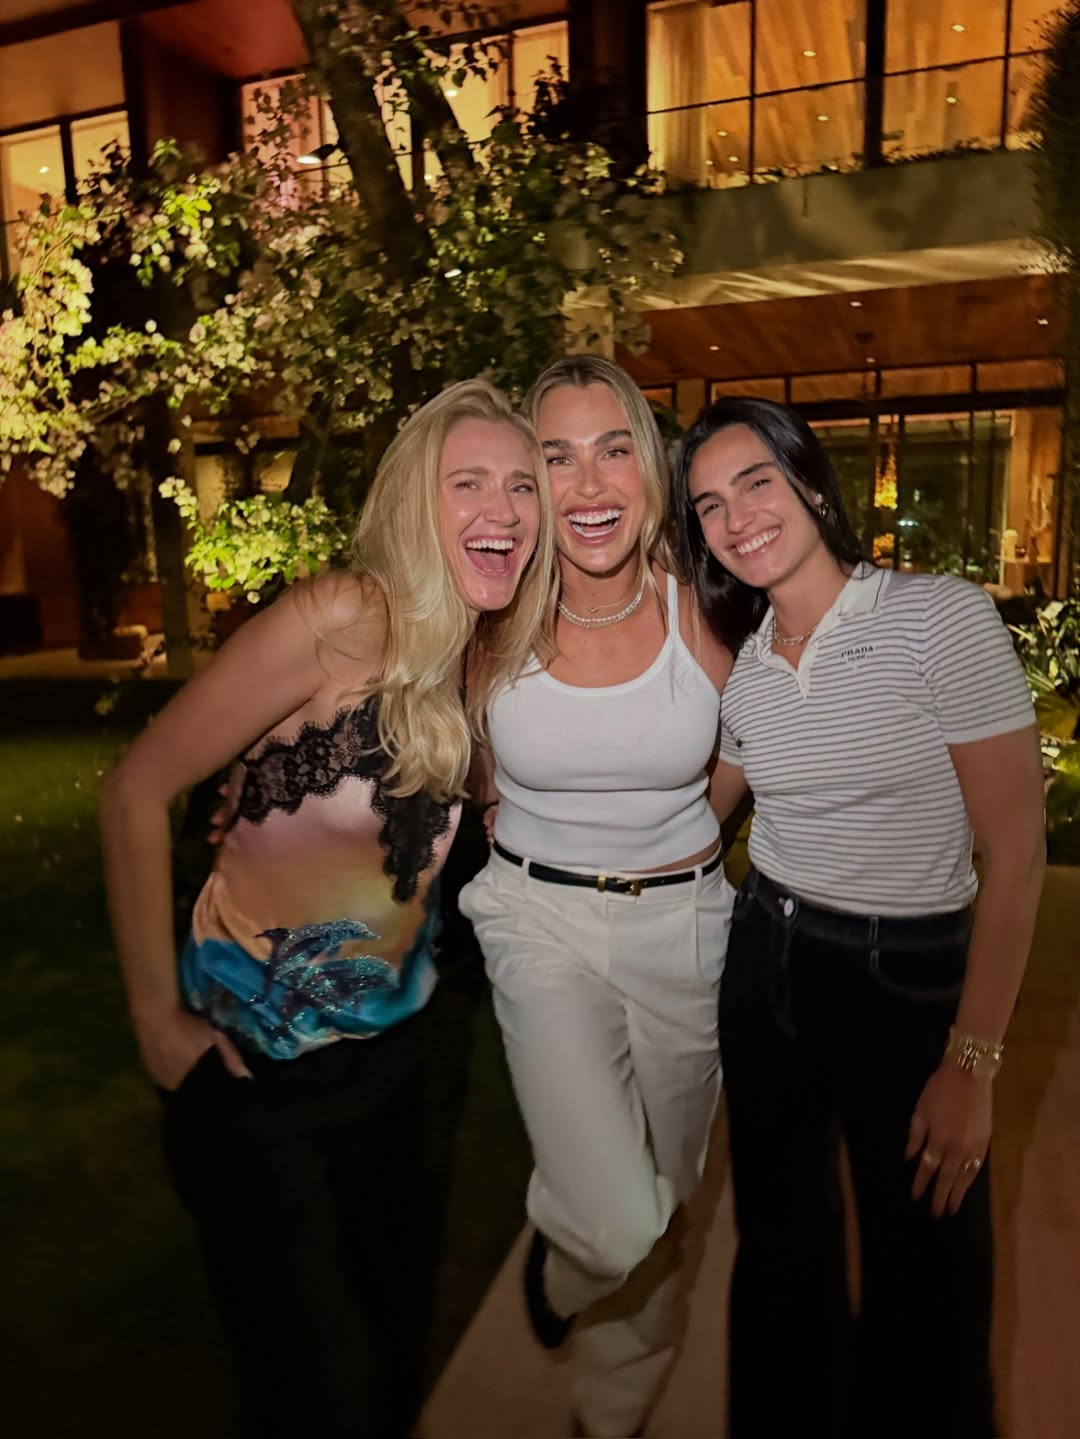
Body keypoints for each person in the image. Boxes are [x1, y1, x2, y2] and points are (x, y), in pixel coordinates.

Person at [99, 379, 554, 1439]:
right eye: (469, 482)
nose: (502, 507)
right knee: (312, 1388)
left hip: (396, 1073)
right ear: (415, 502)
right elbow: (133, 790)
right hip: (249, 1075)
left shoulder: (479, 660)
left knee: (388, 1365)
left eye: (521, 485)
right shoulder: (339, 618)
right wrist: (155, 1018)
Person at [671, 395, 1046, 1439]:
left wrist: (972, 1063)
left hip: (906, 975)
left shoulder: (938, 619)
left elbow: (1018, 854)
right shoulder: (745, 662)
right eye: (709, 504)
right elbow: (700, 817)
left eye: (756, 481)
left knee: (928, 1259)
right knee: (780, 1246)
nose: (736, 516)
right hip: (769, 961)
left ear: (809, 479)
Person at [459, 355, 737, 1439]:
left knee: (669, 1191)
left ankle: (614, 1406)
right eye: (557, 456)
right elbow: (454, 749)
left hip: (686, 929)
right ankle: (568, 1259)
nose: (588, 483)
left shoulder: (704, 608)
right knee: (618, 1218)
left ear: (648, 468)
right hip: (541, 922)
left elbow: (745, 750)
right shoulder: (492, 617)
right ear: (530, 480)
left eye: (613, 448)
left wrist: (680, 836)